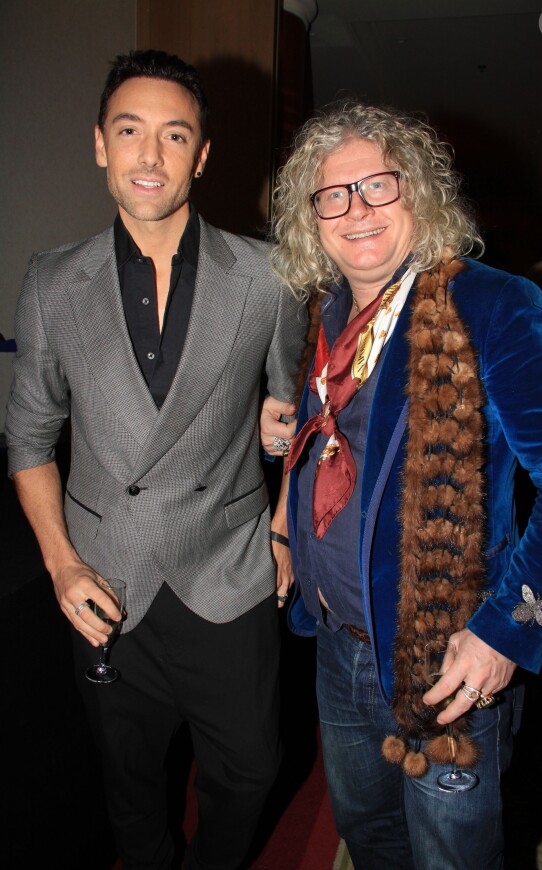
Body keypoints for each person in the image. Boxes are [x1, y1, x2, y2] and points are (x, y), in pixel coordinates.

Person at [5, 49, 307, 870]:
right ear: (100, 143)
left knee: (250, 770)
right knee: (127, 782)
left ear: (202, 155)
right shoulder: (52, 284)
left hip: (230, 568)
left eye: (175, 136)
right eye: (129, 131)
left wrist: (283, 529)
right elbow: (29, 439)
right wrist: (63, 567)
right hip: (108, 578)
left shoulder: (269, 277)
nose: (150, 155)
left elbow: (301, 420)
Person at [261, 102, 542, 868]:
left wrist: (508, 630)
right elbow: (340, 434)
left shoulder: (492, 305)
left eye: (379, 186)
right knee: (370, 837)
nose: (357, 210)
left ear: (422, 193)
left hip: (447, 658)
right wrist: (289, 466)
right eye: (333, 195)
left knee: (450, 855)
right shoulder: (330, 307)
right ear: (312, 216)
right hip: (336, 643)